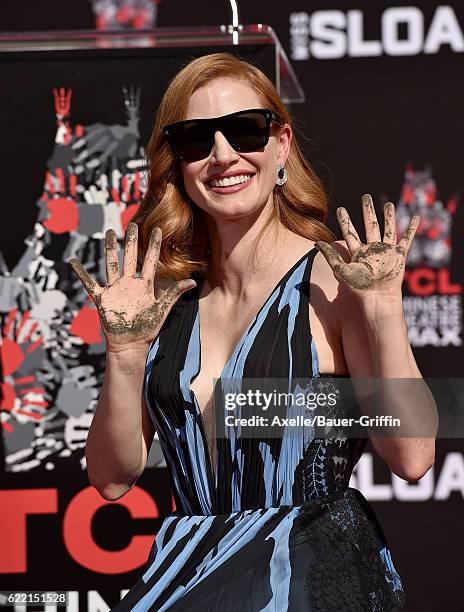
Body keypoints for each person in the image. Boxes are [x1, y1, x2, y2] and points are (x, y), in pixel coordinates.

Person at [69, 52, 437, 611]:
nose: (223, 155)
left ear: (281, 145)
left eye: (244, 131)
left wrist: (383, 306)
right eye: (196, 139)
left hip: (305, 578)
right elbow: (111, 479)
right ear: (177, 161)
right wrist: (124, 352)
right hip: (189, 574)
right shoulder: (165, 300)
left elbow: (411, 456)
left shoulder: (332, 281)